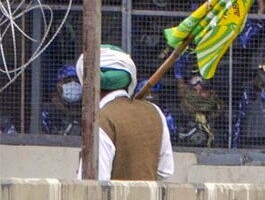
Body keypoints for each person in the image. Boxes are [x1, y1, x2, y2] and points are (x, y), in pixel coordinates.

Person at [74, 45, 174, 181]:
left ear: (88, 84)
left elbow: (93, 183)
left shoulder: (100, 121)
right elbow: (165, 171)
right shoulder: (154, 112)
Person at [40, 65, 83, 136]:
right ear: (58, 86)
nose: (73, 84)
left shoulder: (87, 111)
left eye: (77, 81)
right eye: (67, 81)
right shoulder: (48, 110)